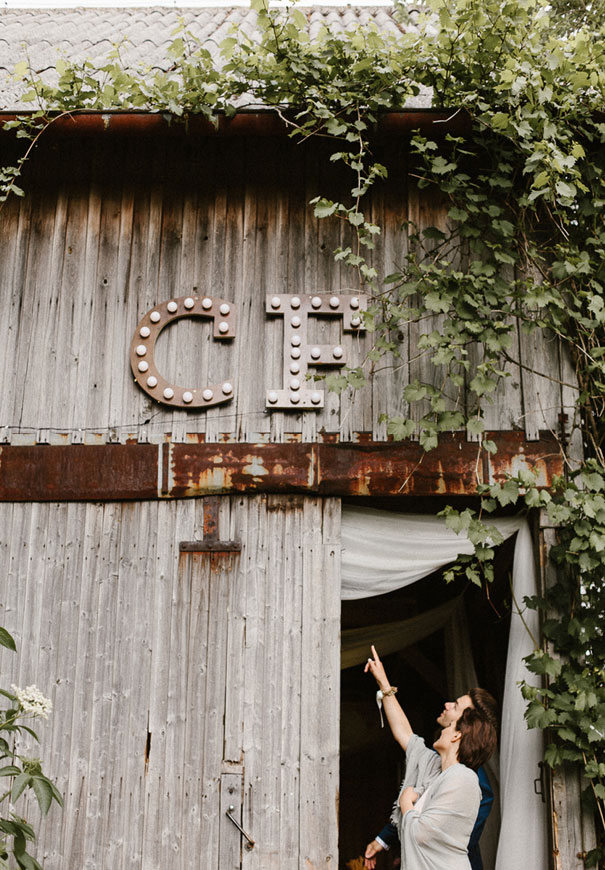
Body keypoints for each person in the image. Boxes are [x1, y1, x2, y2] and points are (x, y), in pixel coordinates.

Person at [364, 646, 498, 870]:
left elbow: (428, 837)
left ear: (461, 732)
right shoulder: (433, 762)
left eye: (455, 709)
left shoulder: (466, 779)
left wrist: (406, 803)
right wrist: (384, 683)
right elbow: (404, 733)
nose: (447, 705)